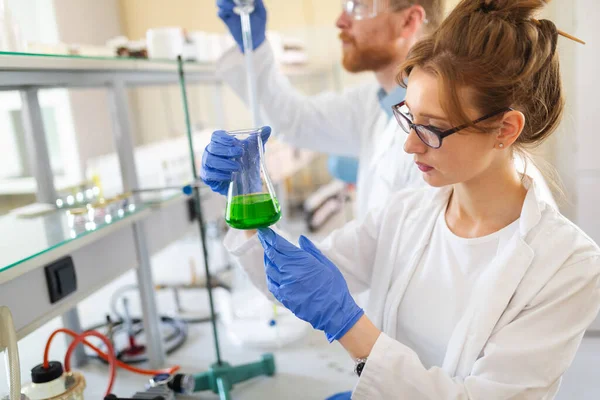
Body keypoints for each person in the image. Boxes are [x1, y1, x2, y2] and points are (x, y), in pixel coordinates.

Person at [202, 0, 600, 398]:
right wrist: (246, 203)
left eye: (432, 128)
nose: (409, 144)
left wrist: (349, 328)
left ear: (505, 129)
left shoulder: (567, 266)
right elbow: (294, 280)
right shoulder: (406, 211)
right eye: (409, 117)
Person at [213, 0, 445, 219]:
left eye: (357, 6)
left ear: (408, 21)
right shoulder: (373, 103)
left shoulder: (442, 125)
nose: (340, 21)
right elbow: (294, 120)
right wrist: (255, 47)